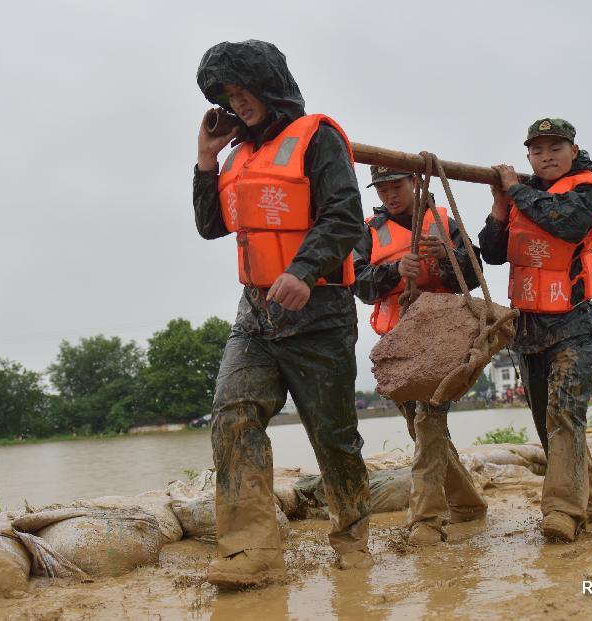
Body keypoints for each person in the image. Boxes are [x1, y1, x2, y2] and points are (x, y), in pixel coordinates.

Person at [193, 40, 372, 588]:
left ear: (269, 85)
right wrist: (206, 159)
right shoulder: (237, 156)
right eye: (227, 94)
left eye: (243, 89)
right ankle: (249, 551)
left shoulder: (317, 139)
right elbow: (210, 225)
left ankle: (352, 535)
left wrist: (304, 269)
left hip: (318, 313)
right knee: (233, 413)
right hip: (256, 316)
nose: (237, 101)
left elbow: (344, 217)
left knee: (334, 436)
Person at [478, 118, 592, 542]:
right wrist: (501, 205)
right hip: (529, 327)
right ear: (528, 155)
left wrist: (516, 189)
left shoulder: (588, 191)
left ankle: (563, 511)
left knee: (564, 413)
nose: (547, 156)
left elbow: (566, 223)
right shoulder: (523, 197)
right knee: (546, 422)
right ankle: (591, 502)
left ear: (573, 150)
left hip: (572, 320)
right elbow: (494, 253)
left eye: (555, 147)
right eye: (537, 150)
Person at [352, 166, 487, 546]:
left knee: (429, 421)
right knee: (421, 426)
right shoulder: (368, 230)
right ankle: (469, 503)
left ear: (415, 183)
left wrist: (446, 258)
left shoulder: (444, 220)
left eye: (397, 185)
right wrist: (395, 272)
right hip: (397, 343)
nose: (390, 194)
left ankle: (426, 519)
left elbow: (474, 272)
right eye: (382, 188)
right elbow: (358, 282)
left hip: (441, 338)